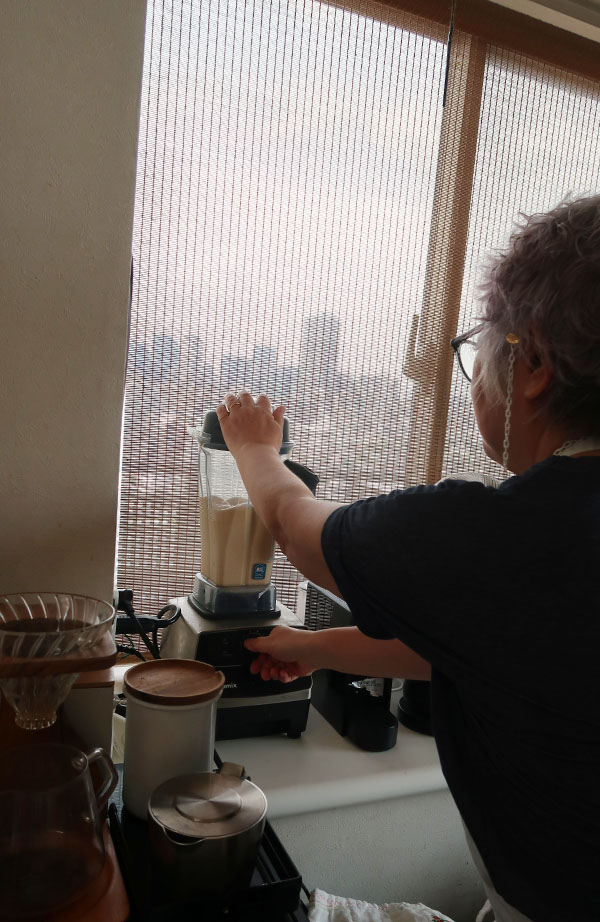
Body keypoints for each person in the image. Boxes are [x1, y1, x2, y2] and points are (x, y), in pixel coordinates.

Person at [215, 195, 600, 922]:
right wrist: (314, 647)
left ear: (534, 364)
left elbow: (295, 526)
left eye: (476, 352)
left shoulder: (498, 534)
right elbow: (494, 648)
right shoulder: (543, 563)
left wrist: (255, 447)